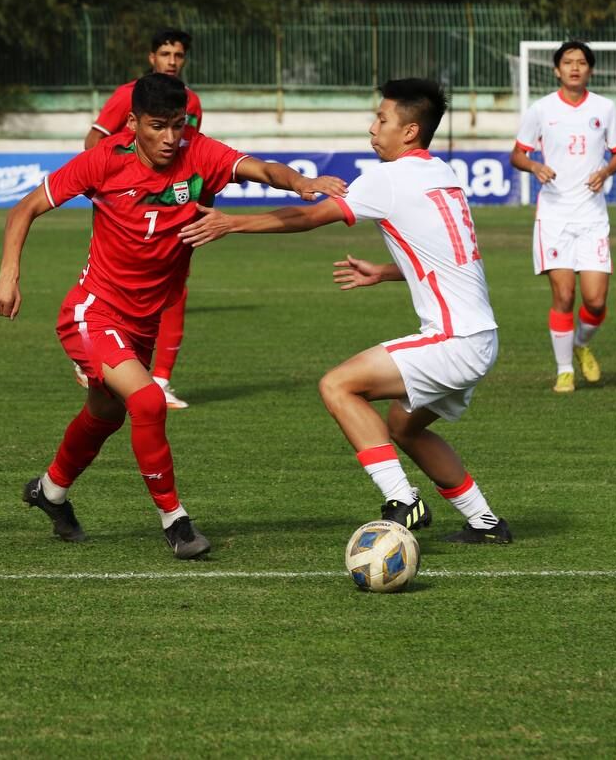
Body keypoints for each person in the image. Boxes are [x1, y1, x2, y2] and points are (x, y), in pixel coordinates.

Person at [0, 73, 346, 559]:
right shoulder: (103, 161)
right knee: (148, 402)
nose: (169, 138)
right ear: (133, 123)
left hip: (143, 322)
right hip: (93, 311)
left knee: (104, 413)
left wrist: (300, 182)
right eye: (158, 126)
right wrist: (8, 275)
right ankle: (175, 522)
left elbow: (260, 168)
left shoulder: (198, 152)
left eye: (178, 125)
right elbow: (24, 209)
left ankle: (49, 492)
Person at [179, 79, 512, 544]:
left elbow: (310, 217)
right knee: (404, 426)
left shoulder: (389, 177)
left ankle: (404, 501)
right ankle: (486, 522)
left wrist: (231, 222)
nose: (372, 128)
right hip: (480, 338)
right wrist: (383, 271)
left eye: (382, 119)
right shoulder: (442, 175)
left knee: (338, 385)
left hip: (454, 341)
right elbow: (447, 258)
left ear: (410, 131)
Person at [79, 28, 203, 409]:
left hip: (173, 207)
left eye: (178, 55)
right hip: (126, 209)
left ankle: (160, 381)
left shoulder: (191, 102)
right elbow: (93, 141)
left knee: (174, 288)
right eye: (165, 54)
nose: (171, 61)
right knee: (114, 283)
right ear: (151, 58)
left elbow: (192, 154)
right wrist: (115, 184)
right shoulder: (126, 95)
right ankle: (93, 350)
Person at [510, 40, 616, 393]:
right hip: (555, 216)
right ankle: (564, 371)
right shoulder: (541, 110)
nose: (575, 67)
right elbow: (517, 155)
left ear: (590, 70)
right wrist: (534, 166)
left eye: (581, 62)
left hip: (591, 216)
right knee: (564, 295)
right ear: (557, 70)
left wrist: (605, 171)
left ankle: (578, 343)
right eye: (568, 62)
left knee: (596, 301)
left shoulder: (605, 109)